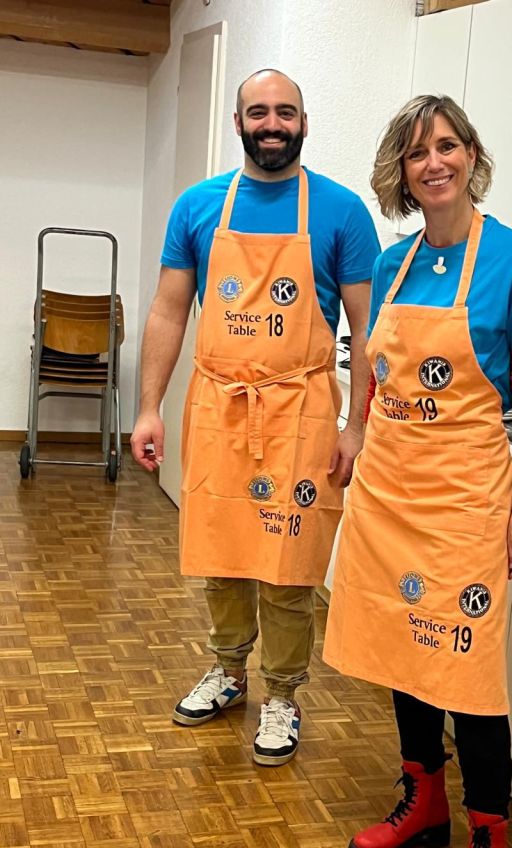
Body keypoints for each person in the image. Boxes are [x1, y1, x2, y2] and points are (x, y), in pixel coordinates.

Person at [323, 95, 512, 848]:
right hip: (389, 492)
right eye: (418, 152)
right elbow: (374, 373)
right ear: (402, 170)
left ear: (471, 157)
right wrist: (354, 433)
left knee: (466, 673)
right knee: (402, 646)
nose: (435, 163)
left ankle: (490, 844)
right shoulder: (392, 265)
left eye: (448, 146)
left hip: (464, 500)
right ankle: (422, 801)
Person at [131, 69, 379, 766]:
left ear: (304, 122)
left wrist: (356, 427)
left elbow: (368, 332)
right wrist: (148, 408)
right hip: (220, 405)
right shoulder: (198, 207)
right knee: (224, 550)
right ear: (238, 122)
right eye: (259, 112)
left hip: (301, 411)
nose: (273, 124)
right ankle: (228, 670)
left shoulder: (341, 212)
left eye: (286, 113)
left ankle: (284, 695)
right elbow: (168, 311)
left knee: (288, 565)